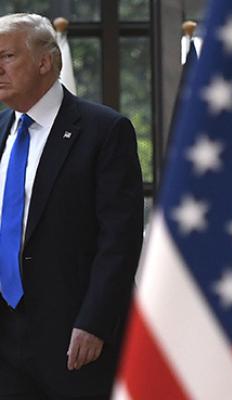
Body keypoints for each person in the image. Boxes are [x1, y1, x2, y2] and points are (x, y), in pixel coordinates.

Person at [0, 13, 144, 399]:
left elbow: (120, 239)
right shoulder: (2, 129)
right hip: (6, 341)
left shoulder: (105, 131)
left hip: (74, 339)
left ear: (44, 61)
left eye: (7, 56)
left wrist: (95, 323)